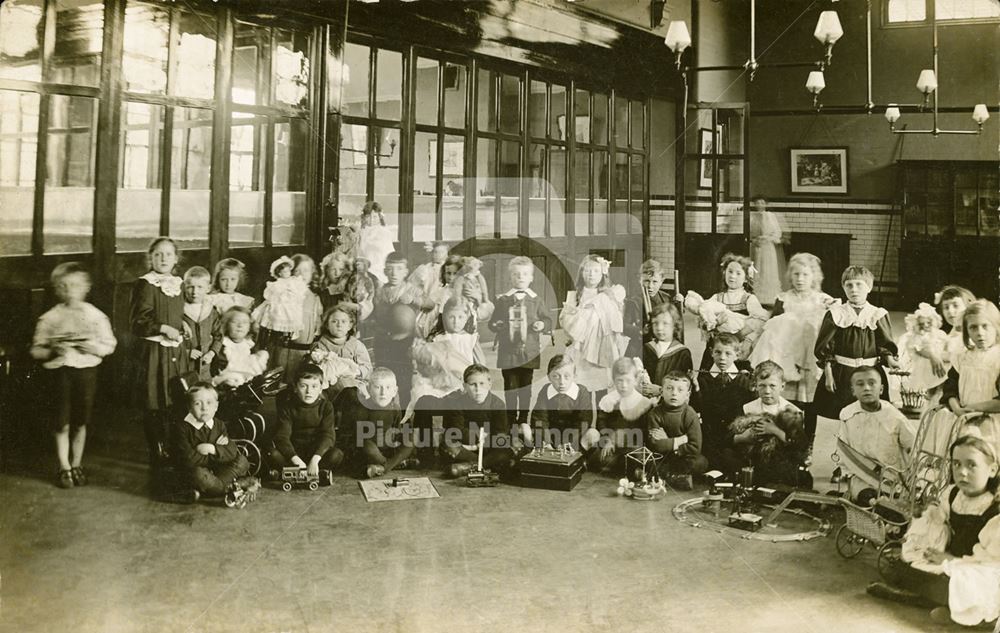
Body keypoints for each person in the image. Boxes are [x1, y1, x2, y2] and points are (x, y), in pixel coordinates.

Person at [867, 434, 1000, 627]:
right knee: (900, 565)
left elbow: (992, 562)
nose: (962, 472)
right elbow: (937, 524)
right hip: (949, 558)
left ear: (992, 469)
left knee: (968, 585)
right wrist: (924, 526)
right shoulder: (953, 494)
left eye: (972, 465)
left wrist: (952, 561)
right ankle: (944, 602)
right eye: (956, 464)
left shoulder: (995, 510)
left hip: (980, 568)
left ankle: (971, 616)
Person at [30, 262, 117, 488]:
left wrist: (93, 348)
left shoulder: (95, 316)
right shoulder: (50, 318)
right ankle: (64, 466)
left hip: (86, 372)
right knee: (61, 422)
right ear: (57, 289)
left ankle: (76, 463)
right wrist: (51, 350)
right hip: (60, 373)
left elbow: (109, 344)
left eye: (76, 286)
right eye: (64, 286)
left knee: (81, 420)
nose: (70, 291)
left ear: (85, 287)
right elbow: (36, 349)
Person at [750, 252, 836, 460]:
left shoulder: (823, 300)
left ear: (814, 277)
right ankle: (784, 442)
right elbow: (772, 328)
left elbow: (829, 330)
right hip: (786, 358)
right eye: (796, 274)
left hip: (809, 358)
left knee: (810, 405)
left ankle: (808, 445)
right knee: (787, 403)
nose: (800, 279)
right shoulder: (783, 299)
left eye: (805, 275)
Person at [130, 237, 188, 471]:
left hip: (176, 351)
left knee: (175, 401)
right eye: (158, 254)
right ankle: (157, 452)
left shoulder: (178, 284)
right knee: (155, 403)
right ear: (150, 258)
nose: (163, 258)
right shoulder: (145, 284)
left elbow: (176, 313)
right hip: (155, 353)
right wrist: (164, 328)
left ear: (176, 259)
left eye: (168, 254)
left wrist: (182, 323)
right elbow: (137, 322)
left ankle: (174, 450)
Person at [814, 265, 898, 421]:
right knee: (835, 413)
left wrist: (890, 359)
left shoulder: (877, 314)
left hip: (870, 372)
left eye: (859, 284)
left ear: (869, 288)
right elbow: (825, 348)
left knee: (871, 414)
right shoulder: (836, 314)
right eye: (849, 285)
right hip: (841, 374)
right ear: (843, 288)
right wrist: (828, 374)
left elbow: (884, 345)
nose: (854, 289)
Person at [490, 256, 551, 439]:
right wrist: (497, 325)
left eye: (525, 274)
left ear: (531, 277)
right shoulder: (503, 300)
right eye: (516, 274)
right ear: (511, 277)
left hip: (529, 352)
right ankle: (510, 419)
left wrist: (542, 324)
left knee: (526, 386)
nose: (521, 277)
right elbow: (492, 322)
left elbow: (547, 319)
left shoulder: (537, 300)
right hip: (508, 352)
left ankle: (523, 418)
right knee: (510, 386)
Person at [723, 361, 810, 488]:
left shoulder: (792, 411)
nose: (767, 391)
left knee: (784, 465)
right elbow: (729, 437)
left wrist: (774, 430)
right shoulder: (747, 408)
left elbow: (799, 445)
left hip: (777, 457)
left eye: (772, 386)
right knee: (727, 454)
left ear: (782, 386)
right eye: (762, 386)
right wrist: (743, 438)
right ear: (755, 386)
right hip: (750, 456)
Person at [836, 366, 915, 495]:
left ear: (881, 389)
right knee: (866, 496)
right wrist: (849, 477)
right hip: (862, 475)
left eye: (872, 383)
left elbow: (913, 446)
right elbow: (845, 450)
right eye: (860, 384)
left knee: (887, 502)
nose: (866, 388)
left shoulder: (894, 416)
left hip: (891, 478)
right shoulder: (847, 414)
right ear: (853, 391)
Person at [172, 382, 256, 504]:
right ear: (189, 408)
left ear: (216, 406)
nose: (204, 408)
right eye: (197, 403)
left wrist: (213, 449)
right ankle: (231, 487)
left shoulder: (219, 424)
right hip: (201, 472)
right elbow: (189, 459)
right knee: (198, 474)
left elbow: (231, 451)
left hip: (219, 471)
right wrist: (219, 455)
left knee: (242, 460)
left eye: (209, 403)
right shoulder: (182, 428)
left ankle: (219, 488)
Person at [685, 253, 768, 369]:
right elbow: (705, 317)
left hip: (738, 345)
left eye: (738, 273)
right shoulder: (716, 298)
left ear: (746, 278)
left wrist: (739, 335)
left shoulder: (748, 298)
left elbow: (760, 320)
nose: (733, 276)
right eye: (730, 272)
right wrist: (713, 324)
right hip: (718, 346)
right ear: (724, 273)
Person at [560, 255, 630, 392]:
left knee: (600, 384)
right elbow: (565, 320)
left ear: (603, 274)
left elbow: (615, 320)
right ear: (581, 273)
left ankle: (601, 411)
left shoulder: (608, 296)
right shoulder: (575, 296)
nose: (591, 274)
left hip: (600, 344)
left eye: (596, 271)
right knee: (580, 383)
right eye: (587, 271)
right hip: (580, 346)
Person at [941, 300, 1000, 457]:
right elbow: (950, 389)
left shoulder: (998, 358)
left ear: (997, 327)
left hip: (992, 424)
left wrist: (973, 408)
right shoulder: (962, 358)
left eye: (985, 326)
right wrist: (957, 408)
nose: (980, 333)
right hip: (964, 420)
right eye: (973, 327)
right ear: (967, 332)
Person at [690, 332, 755, 470]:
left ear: (737, 354)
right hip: (710, 435)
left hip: (734, 436)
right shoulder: (703, 379)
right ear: (711, 353)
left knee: (732, 461)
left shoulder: (744, 380)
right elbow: (699, 409)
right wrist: (696, 389)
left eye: (728, 353)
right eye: (718, 352)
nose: (722, 358)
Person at [440, 364, 514, 478]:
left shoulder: (498, 404)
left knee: (509, 446)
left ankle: (469, 467)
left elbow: (501, 433)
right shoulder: (457, 404)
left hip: (490, 449)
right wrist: (478, 440)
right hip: (466, 450)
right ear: (465, 386)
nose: (478, 389)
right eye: (472, 384)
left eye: (482, 384)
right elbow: (457, 431)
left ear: (489, 385)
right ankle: (489, 465)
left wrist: (484, 442)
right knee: (448, 444)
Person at [270, 364, 344, 478]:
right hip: (294, 453)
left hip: (316, 452)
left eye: (314, 386)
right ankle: (299, 472)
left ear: (320, 389)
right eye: (303, 386)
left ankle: (310, 472)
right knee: (273, 454)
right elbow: (282, 437)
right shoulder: (288, 407)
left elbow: (328, 435)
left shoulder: (326, 406)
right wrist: (297, 460)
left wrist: (315, 459)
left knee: (336, 455)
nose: (309, 391)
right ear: (295, 388)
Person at [342, 368, 418, 478]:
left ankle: (384, 467)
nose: (383, 393)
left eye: (388, 388)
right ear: (368, 389)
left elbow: (395, 430)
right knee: (366, 444)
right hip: (368, 452)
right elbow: (355, 437)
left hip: (388, 449)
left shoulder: (395, 408)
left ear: (394, 391)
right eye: (377, 387)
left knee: (412, 437)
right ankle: (393, 464)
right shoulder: (362, 409)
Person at [585, 357, 653, 474]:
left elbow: (644, 430)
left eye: (628, 381)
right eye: (619, 381)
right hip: (611, 446)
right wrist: (608, 440)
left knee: (639, 456)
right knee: (601, 457)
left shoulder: (642, 402)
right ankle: (626, 469)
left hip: (633, 445)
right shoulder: (609, 400)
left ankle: (627, 468)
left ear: (636, 380)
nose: (623, 385)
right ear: (614, 380)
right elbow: (601, 424)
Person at [644, 371, 709, 490]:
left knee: (700, 462)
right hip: (663, 458)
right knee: (649, 462)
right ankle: (676, 477)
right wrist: (680, 440)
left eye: (680, 390)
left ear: (687, 394)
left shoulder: (690, 414)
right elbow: (655, 444)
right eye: (669, 388)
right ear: (662, 391)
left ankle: (669, 477)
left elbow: (695, 447)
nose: (674, 393)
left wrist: (668, 442)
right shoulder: (655, 414)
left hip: (684, 457)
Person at [308, 304, 372, 403]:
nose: (339, 325)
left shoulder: (356, 345)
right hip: (328, 386)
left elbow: (367, 368)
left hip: (352, 383)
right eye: (334, 321)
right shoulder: (320, 345)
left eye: (343, 321)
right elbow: (312, 369)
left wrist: (355, 371)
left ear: (350, 325)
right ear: (327, 325)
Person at [529, 354, 595, 450]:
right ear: (549, 377)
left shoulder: (581, 392)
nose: (561, 382)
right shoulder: (546, 390)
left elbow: (584, 421)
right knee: (527, 429)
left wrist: (568, 442)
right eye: (556, 376)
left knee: (593, 434)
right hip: (551, 437)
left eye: (567, 376)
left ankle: (583, 462)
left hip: (574, 438)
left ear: (574, 377)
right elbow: (540, 418)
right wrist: (547, 442)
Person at [640, 302, 692, 399]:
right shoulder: (647, 348)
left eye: (665, 323)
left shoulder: (682, 353)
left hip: (670, 404)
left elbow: (684, 386)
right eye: (655, 323)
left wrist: (660, 390)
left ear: (675, 325)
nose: (659, 328)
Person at [898, 302, 951, 394]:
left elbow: (947, 346)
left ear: (935, 322)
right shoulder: (917, 337)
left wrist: (944, 355)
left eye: (929, 323)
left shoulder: (940, 334)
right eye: (921, 324)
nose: (925, 326)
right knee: (923, 390)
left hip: (939, 365)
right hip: (923, 368)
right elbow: (919, 350)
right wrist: (932, 356)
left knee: (940, 386)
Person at [210, 307, 269, 388]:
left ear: (249, 327)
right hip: (227, 378)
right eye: (234, 322)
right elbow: (217, 369)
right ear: (226, 325)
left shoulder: (249, 344)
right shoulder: (223, 344)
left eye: (245, 322)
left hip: (247, 379)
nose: (240, 325)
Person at [181, 266, 220, 382]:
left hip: (205, 366)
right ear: (184, 287)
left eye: (200, 287)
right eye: (190, 287)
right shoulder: (179, 310)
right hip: (185, 366)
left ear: (208, 288)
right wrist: (186, 352)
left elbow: (218, 335)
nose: (195, 292)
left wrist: (212, 353)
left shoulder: (211, 311)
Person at [748, 196, 787, 307]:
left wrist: (766, 238)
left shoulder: (771, 216)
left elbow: (777, 233)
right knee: (756, 269)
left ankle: (769, 297)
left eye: (762, 202)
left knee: (768, 270)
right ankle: (756, 297)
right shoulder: (752, 216)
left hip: (768, 247)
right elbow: (748, 232)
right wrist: (754, 240)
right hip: (756, 247)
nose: (760, 205)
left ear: (765, 204)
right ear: (754, 205)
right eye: (757, 203)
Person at [358, 201, 396, 284]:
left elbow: (389, 254)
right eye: (368, 216)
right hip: (365, 271)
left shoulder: (384, 232)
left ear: (380, 217)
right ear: (364, 217)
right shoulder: (362, 232)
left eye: (375, 217)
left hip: (379, 271)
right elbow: (360, 253)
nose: (371, 220)